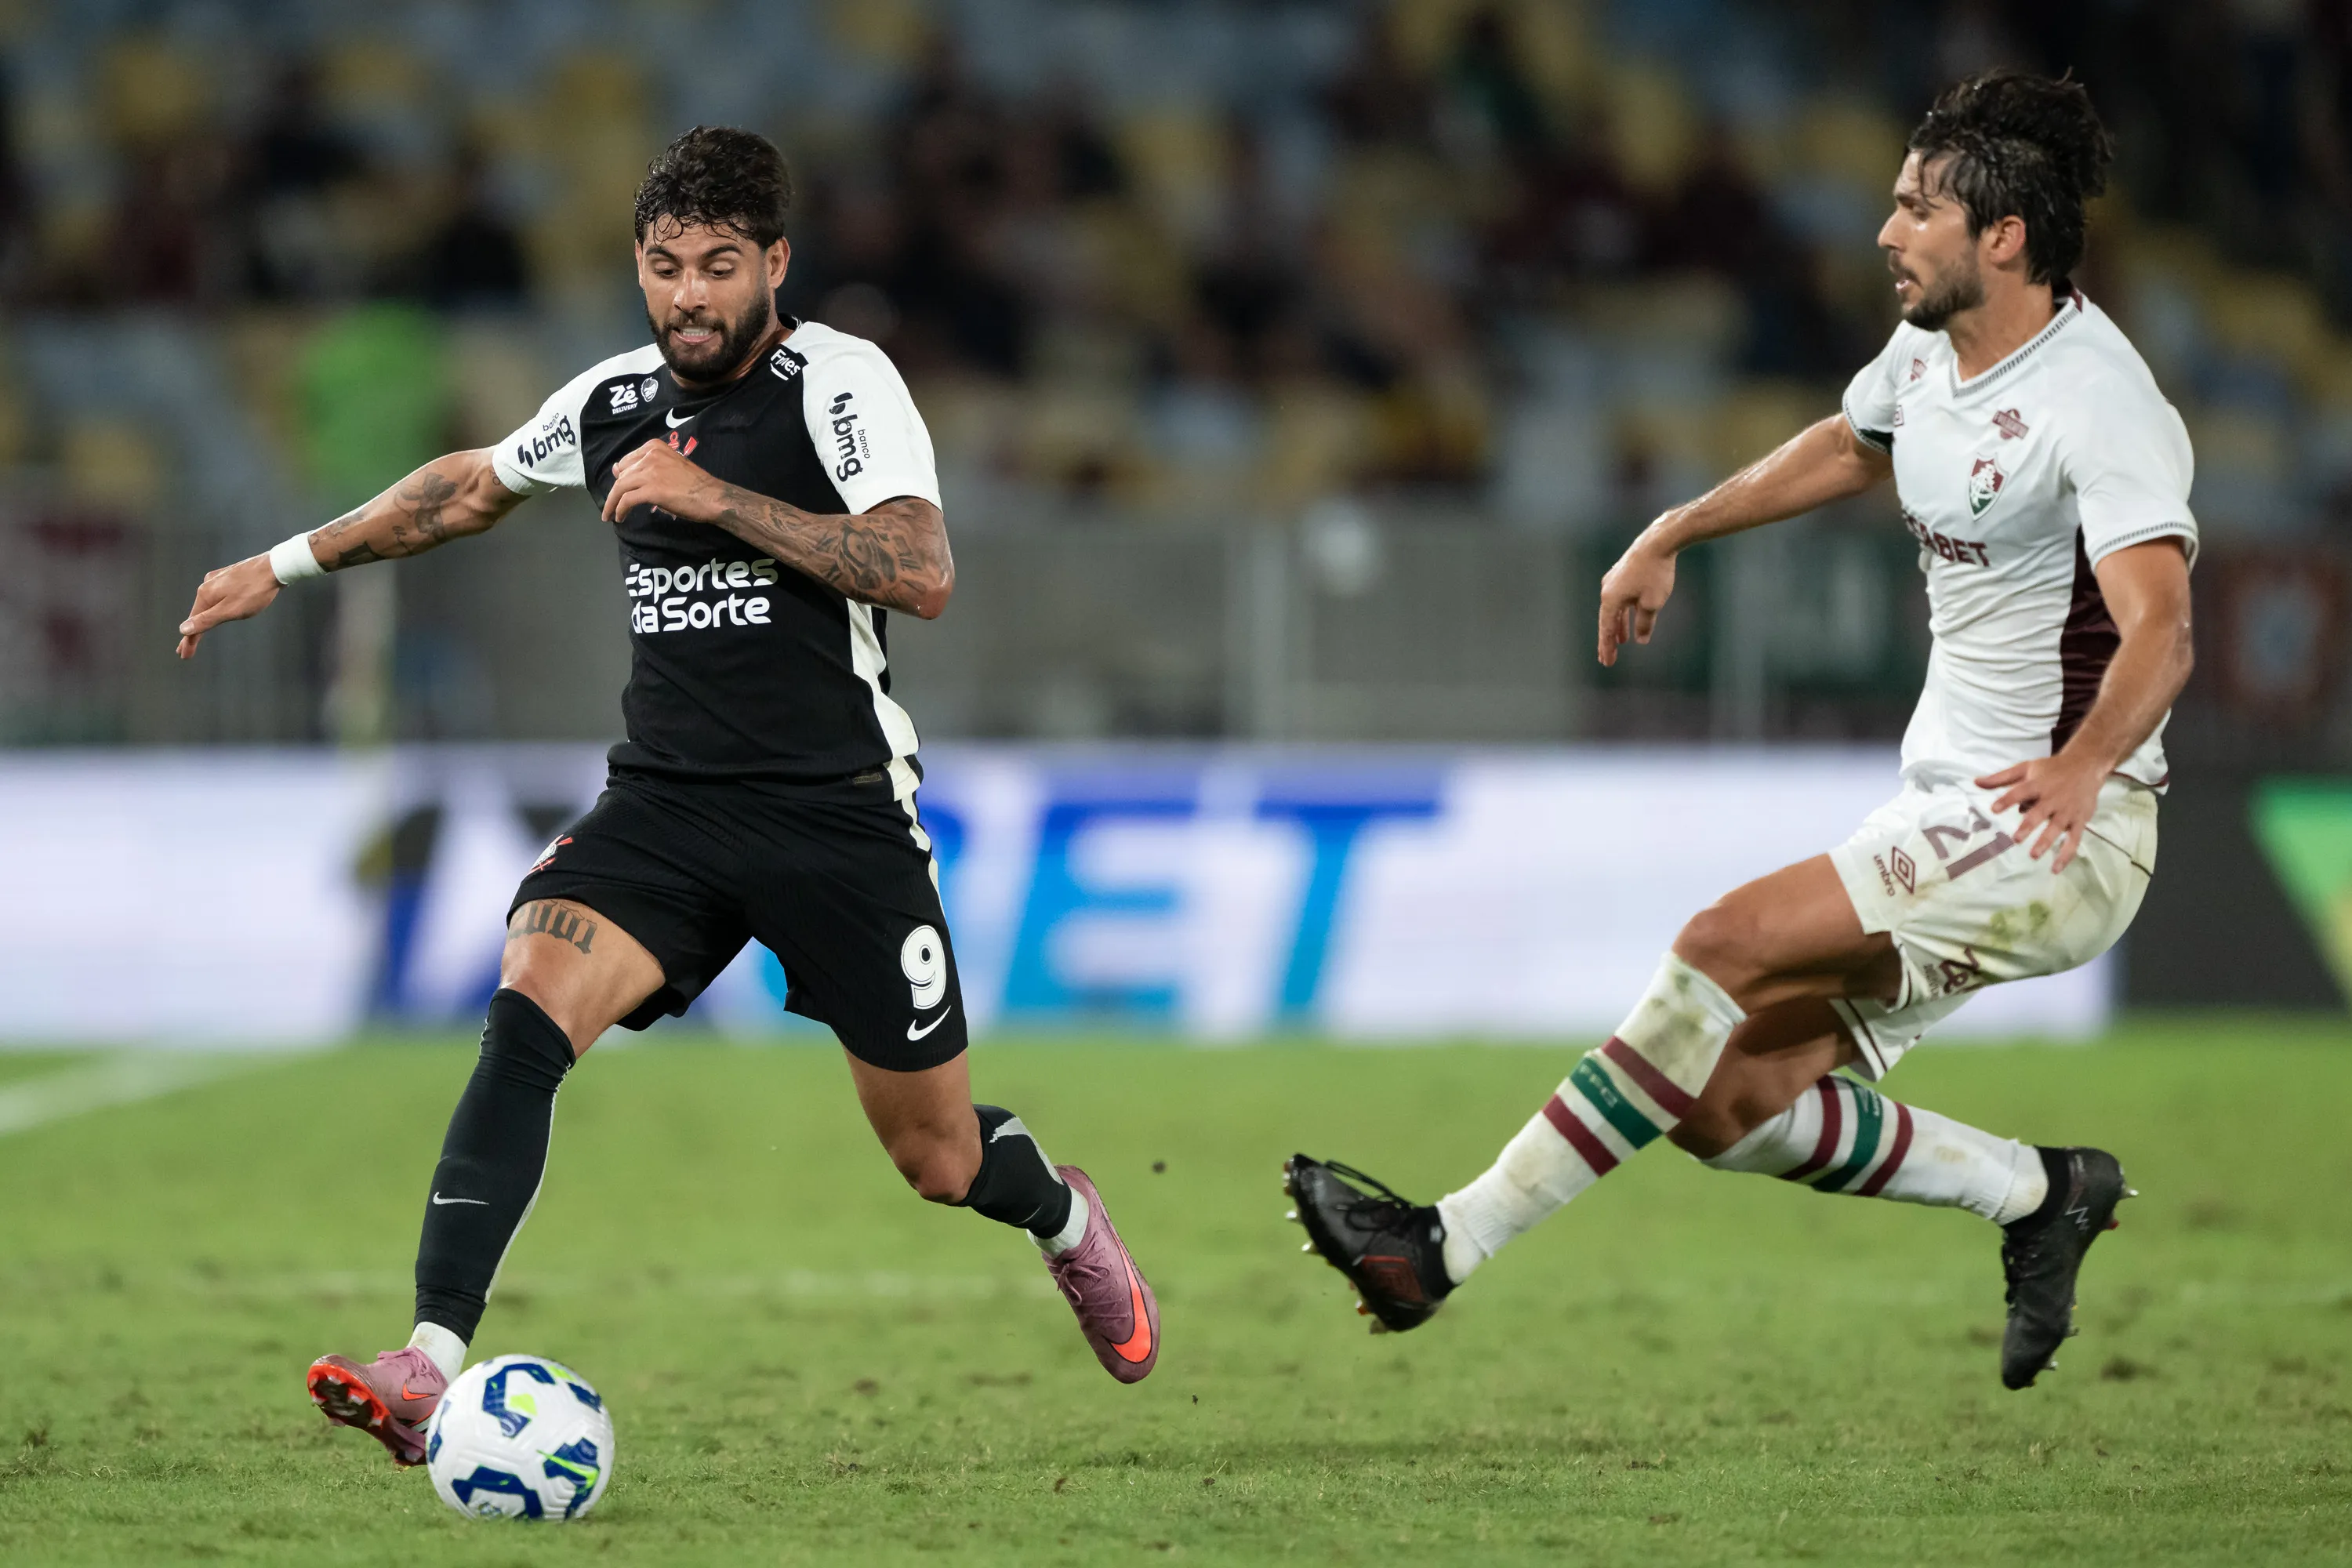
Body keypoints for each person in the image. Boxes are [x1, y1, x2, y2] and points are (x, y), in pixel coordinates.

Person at [177, 126, 1158, 1467]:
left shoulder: (840, 382)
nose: (689, 295)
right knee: (526, 1007)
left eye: (716, 266)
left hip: (836, 816)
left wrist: (714, 497)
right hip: (667, 810)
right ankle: (429, 1362)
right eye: (663, 267)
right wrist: (281, 565)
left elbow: (919, 568)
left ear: (774, 265)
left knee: (938, 1157)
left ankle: (1061, 1217)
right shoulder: (615, 399)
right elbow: (469, 489)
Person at [1286, 71, 2191, 1392]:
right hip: (1947, 805)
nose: (1886, 233)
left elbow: (2161, 627)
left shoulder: (2102, 404)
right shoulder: (1934, 352)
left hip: (2061, 825)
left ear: (2004, 236)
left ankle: (1442, 1247)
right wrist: (1674, 530)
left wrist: (2081, 766)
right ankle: (2038, 1191)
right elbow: (1852, 440)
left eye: (1917, 209)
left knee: (1719, 947)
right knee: (1725, 1103)